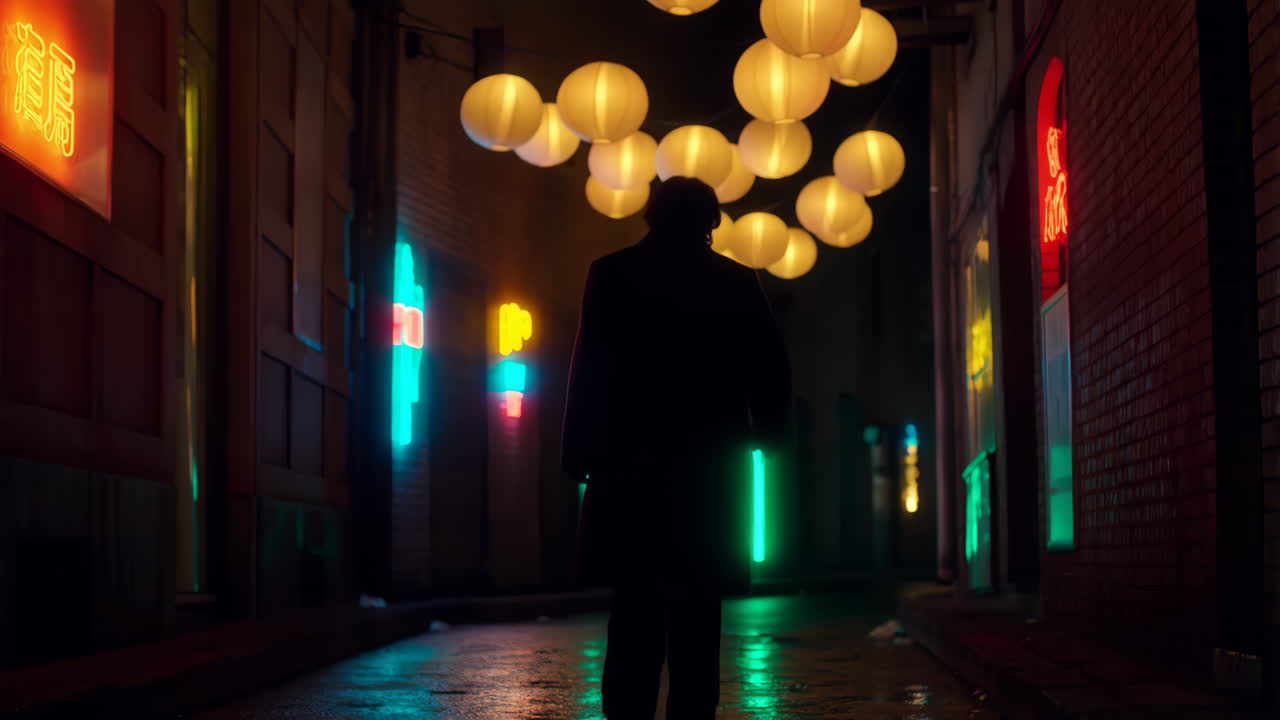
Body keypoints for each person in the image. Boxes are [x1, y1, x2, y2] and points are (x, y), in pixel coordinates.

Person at [562, 176, 791, 719]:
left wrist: (580, 452)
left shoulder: (612, 273)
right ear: (711, 220)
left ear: (651, 216)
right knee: (698, 616)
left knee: (633, 610)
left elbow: (588, 366)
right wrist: (768, 435)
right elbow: (769, 368)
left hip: (630, 466)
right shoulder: (734, 281)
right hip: (708, 470)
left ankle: (629, 712)